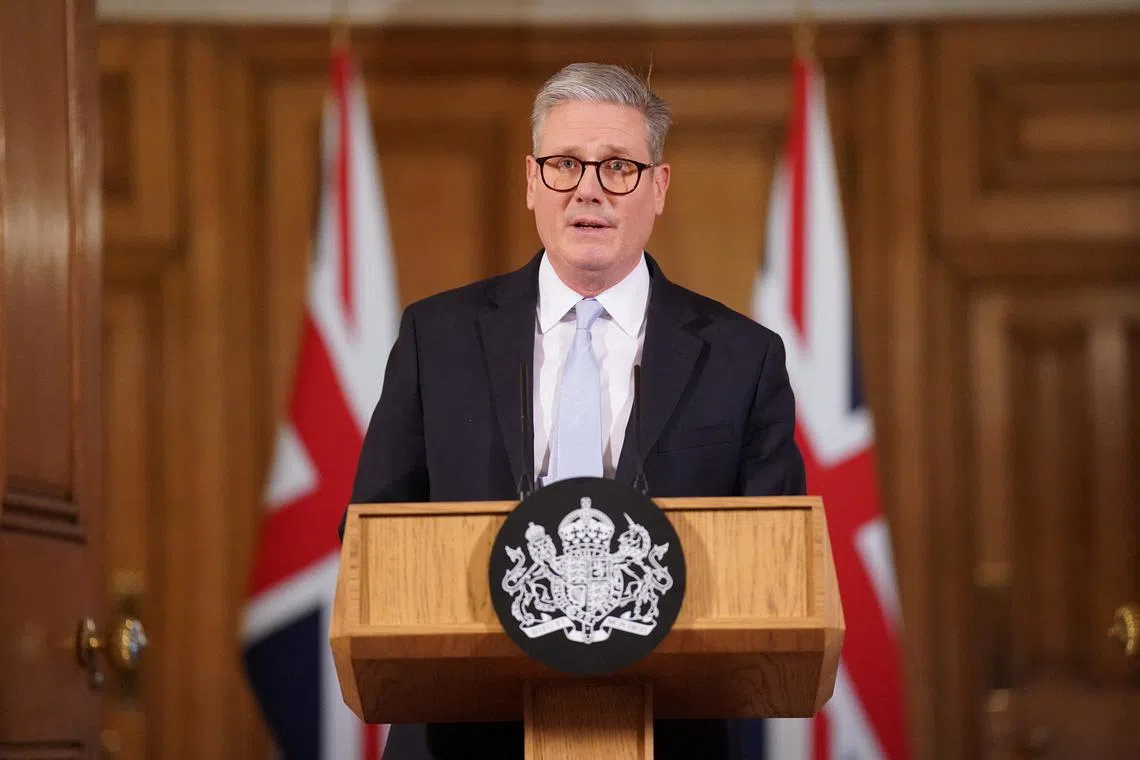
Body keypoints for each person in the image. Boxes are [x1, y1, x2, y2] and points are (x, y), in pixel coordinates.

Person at [341, 62, 806, 760]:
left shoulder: (744, 357)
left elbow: (774, 564)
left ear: (659, 187)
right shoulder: (436, 338)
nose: (588, 189)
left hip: (672, 733)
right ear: (532, 182)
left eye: (618, 166)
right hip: (459, 736)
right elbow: (370, 536)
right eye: (564, 165)